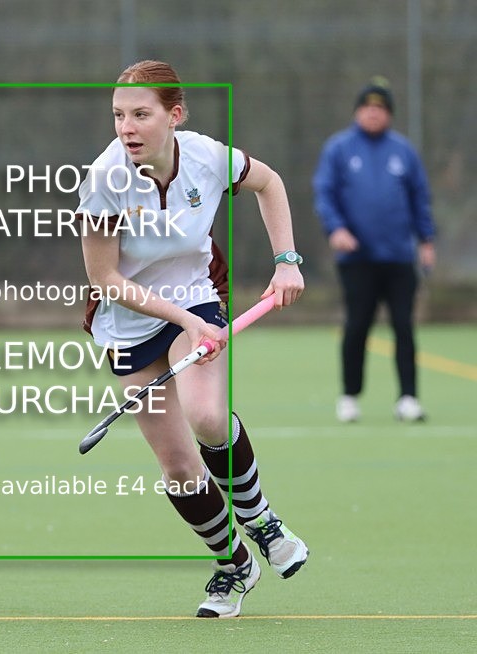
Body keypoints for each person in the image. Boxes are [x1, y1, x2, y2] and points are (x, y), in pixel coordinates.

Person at [78, 60, 309, 618]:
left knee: (207, 415)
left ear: (173, 115)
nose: (126, 128)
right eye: (118, 115)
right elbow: (105, 279)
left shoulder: (205, 156)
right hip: (128, 318)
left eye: (140, 114)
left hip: (196, 294)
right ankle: (234, 565)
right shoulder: (104, 181)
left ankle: (264, 523)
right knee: (180, 470)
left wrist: (286, 263)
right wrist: (181, 322)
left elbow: (269, 183)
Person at [313, 77, 436, 423]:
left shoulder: (403, 151)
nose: (372, 114)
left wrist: (426, 240)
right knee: (357, 326)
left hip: (398, 257)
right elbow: (325, 193)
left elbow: (419, 198)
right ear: (357, 112)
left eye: (380, 109)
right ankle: (350, 396)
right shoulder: (339, 149)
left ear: (390, 115)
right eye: (367, 108)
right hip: (357, 260)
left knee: (403, 327)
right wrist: (335, 228)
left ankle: (408, 398)